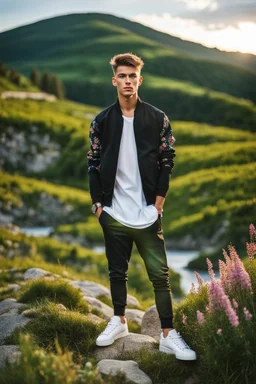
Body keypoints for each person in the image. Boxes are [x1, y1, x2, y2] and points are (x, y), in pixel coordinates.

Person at [87, 52, 196, 361]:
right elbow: (93, 162)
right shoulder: (102, 121)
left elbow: (167, 159)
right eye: (122, 76)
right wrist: (99, 207)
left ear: (139, 80)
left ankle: (167, 335)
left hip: (148, 211)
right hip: (114, 212)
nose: (127, 81)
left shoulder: (157, 118)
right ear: (114, 80)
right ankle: (119, 321)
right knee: (116, 271)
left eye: (132, 76)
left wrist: (159, 202)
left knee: (160, 275)